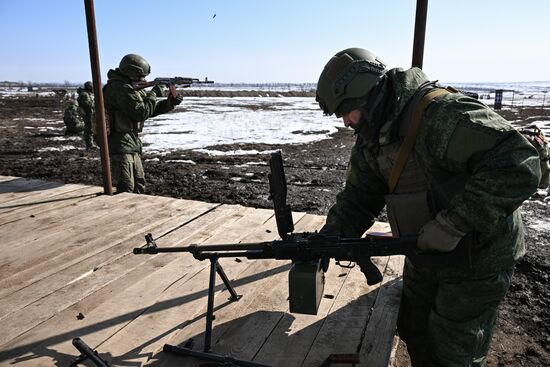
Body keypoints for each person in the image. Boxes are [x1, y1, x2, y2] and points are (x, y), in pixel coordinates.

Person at [315, 48, 541, 366]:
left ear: (368, 95)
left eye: (348, 110)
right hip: (425, 250)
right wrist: (332, 235)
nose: (346, 120)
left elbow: (518, 161)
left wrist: (453, 224)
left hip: (479, 255)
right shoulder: (373, 134)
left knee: (454, 350)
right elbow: (359, 196)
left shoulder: (440, 115)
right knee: (414, 328)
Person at [103, 54, 183, 194]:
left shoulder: (127, 87)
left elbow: (147, 111)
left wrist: (169, 103)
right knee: (126, 188)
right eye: (141, 76)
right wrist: (153, 94)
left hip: (130, 142)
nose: (143, 79)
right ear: (131, 73)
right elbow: (140, 112)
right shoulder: (119, 88)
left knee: (139, 185)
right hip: (120, 143)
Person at [77, 81, 95, 149]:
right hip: (88, 114)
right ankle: (89, 145)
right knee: (89, 129)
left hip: (88, 113)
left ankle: (90, 144)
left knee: (89, 129)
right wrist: (94, 104)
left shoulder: (85, 94)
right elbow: (87, 104)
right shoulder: (85, 95)